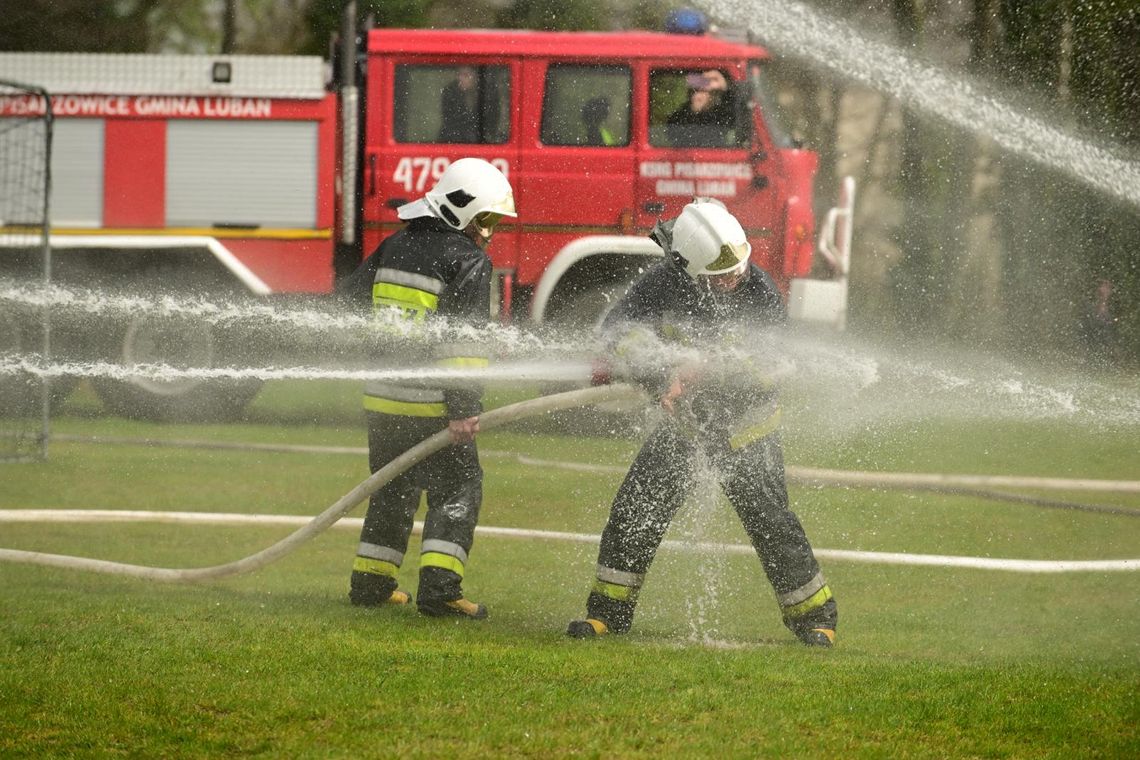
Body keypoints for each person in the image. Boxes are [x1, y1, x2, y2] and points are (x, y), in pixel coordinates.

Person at [567, 199, 838, 647]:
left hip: (745, 430)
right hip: (685, 427)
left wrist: (706, 371)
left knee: (771, 523)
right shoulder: (662, 285)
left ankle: (815, 618)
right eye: (720, 275)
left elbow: (773, 367)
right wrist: (658, 375)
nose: (734, 277)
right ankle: (607, 614)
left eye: (738, 266)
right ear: (687, 270)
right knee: (636, 513)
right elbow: (618, 331)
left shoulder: (761, 292)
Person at [339, 157, 516, 619]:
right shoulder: (469, 261)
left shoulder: (394, 246)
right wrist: (463, 406)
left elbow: (347, 307)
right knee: (458, 487)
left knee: (391, 489)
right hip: (434, 406)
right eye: (487, 220)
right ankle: (440, 590)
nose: (488, 232)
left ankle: (371, 584)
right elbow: (463, 344)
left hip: (382, 402)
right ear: (461, 211)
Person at [665, 69, 736, 148]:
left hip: (716, 156)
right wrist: (692, 112)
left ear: (711, 95)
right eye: (694, 91)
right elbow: (672, 133)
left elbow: (735, 115)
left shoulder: (719, 115)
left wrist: (723, 86)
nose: (697, 96)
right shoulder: (680, 116)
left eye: (703, 91)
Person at [438, 66, 497, 144]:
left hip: (481, 142)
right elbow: (450, 121)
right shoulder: (450, 93)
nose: (460, 79)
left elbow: (492, 120)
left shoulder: (487, 93)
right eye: (459, 75)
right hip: (453, 141)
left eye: (466, 75)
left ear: (476, 77)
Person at [1077, 278, 1119, 368]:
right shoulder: (1089, 306)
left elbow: (1113, 329)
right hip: (1092, 339)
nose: (1103, 290)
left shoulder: (1114, 307)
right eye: (1102, 287)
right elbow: (1085, 328)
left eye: (1107, 287)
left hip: (1107, 341)